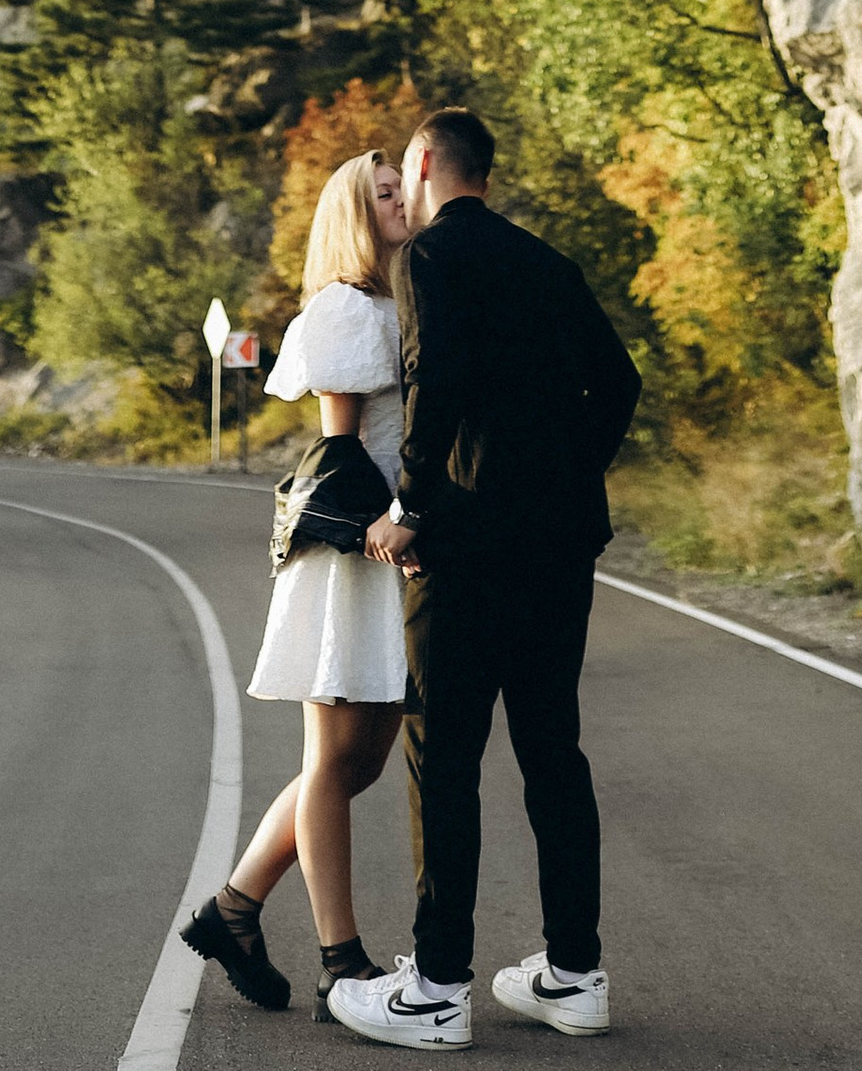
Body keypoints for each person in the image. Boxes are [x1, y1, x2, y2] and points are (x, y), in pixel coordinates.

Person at [327, 106, 641, 1051]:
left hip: (462, 550)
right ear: (485, 174)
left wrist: (411, 507)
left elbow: (437, 380)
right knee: (554, 751)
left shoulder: (429, 258)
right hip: (559, 546)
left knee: (446, 755)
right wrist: (564, 476)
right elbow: (618, 382)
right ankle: (576, 975)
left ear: (423, 163)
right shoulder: (549, 265)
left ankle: (436, 989)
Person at [182, 146, 413, 1016]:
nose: (402, 202)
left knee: (357, 763)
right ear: (355, 212)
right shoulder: (348, 309)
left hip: (385, 549)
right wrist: (389, 529)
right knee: (332, 761)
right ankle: (340, 958)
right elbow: (344, 448)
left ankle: (233, 909)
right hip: (355, 554)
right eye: (385, 194)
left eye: (403, 189)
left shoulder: (392, 300)